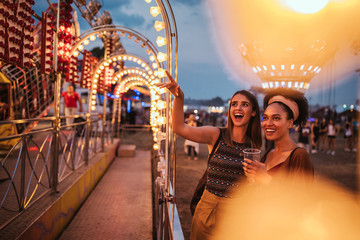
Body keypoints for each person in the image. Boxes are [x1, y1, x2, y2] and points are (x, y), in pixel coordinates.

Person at [158, 71, 262, 240]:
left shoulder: (254, 147)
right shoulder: (216, 135)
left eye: (245, 104)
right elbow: (179, 128)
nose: (238, 108)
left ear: (253, 112)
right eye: (234, 104)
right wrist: (179, 97)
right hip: (209, 208)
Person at [243, 88, 314, 184]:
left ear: (290, 123)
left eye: (276, 118)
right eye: (265, 118)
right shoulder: (268, 153)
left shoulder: (299, 156)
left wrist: (266, 178)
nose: (268, 123)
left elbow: (303, 197)